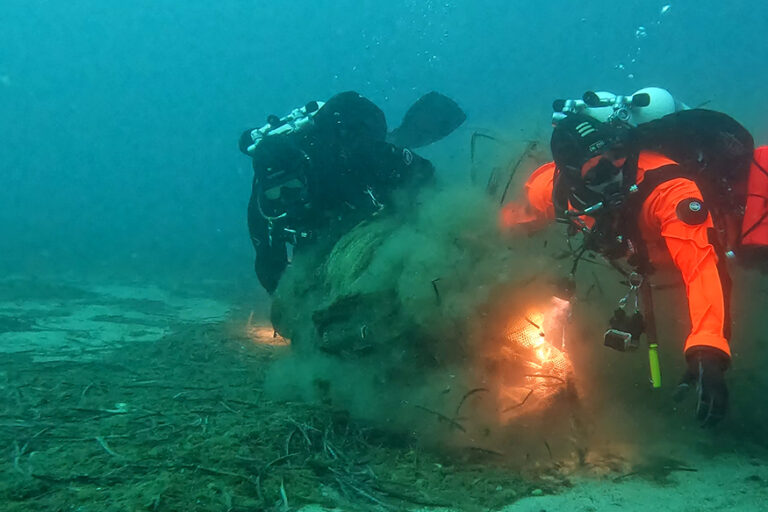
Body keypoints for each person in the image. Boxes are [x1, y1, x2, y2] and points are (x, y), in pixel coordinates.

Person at [502, 95, 767, 427]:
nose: (612, 172)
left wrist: (709, 347)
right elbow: (517, 217)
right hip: (647, 254)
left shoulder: (668, 190)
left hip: (724, 231)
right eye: (597, 171)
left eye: (615, 157)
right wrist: (478, 240)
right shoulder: (554, 191)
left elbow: (700, 266)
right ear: (569, 177)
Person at [239, 91, 466, 294]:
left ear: (304, 173)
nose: (286, 199)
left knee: (386, 178)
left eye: (293, 187)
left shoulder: (352, 158)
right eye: (275, 193)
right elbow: (267, 262)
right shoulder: (262, 203)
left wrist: (434, 218)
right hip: (322, 212)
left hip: (353, 156)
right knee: (309, 271)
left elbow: (423, 173)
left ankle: (406, 132)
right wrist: (285, 300)